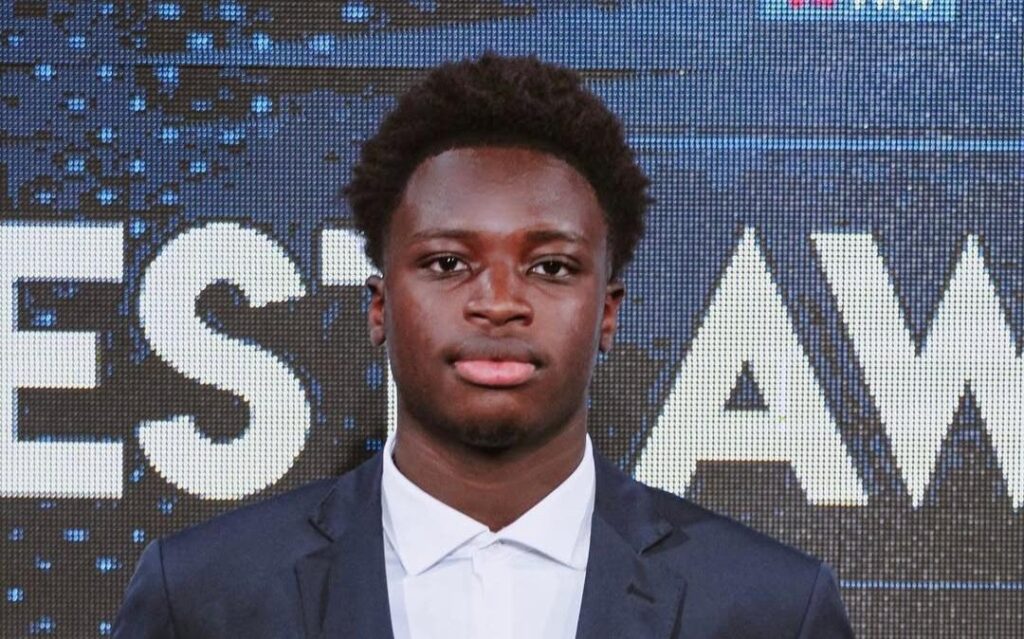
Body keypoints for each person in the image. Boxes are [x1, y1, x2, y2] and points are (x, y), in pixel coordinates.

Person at [114, 53, 854, 638]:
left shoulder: (771, 609)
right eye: (447, 263)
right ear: (380, 306)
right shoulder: (204, 596)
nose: (499, 302)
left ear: (607, 314)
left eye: (551, 267)